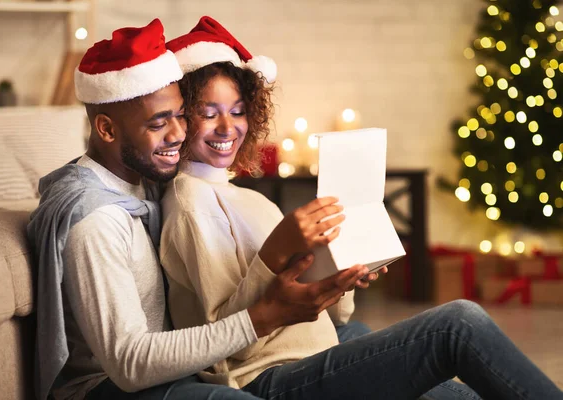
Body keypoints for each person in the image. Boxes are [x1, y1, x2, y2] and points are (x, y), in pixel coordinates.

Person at [161, 16, 563, 400]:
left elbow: (329, 321)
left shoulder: (250, 198)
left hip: (316, 354)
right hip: (267, 379)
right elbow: (225, 346)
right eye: (209, 114)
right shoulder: (190, 201)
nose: (227, 128)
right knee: (458, 324)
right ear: (181, 119)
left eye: (237, 112)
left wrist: (343, 275)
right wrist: (273, 255)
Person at [27, 19, 368, 400]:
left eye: (180, 115)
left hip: (175, 368)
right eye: (159, 123)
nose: (178, 134)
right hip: (110, 388)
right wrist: (262, 316)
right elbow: (128, 364)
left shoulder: (146, 181)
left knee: (365, 339)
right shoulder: (96, 219)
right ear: (106, 130)